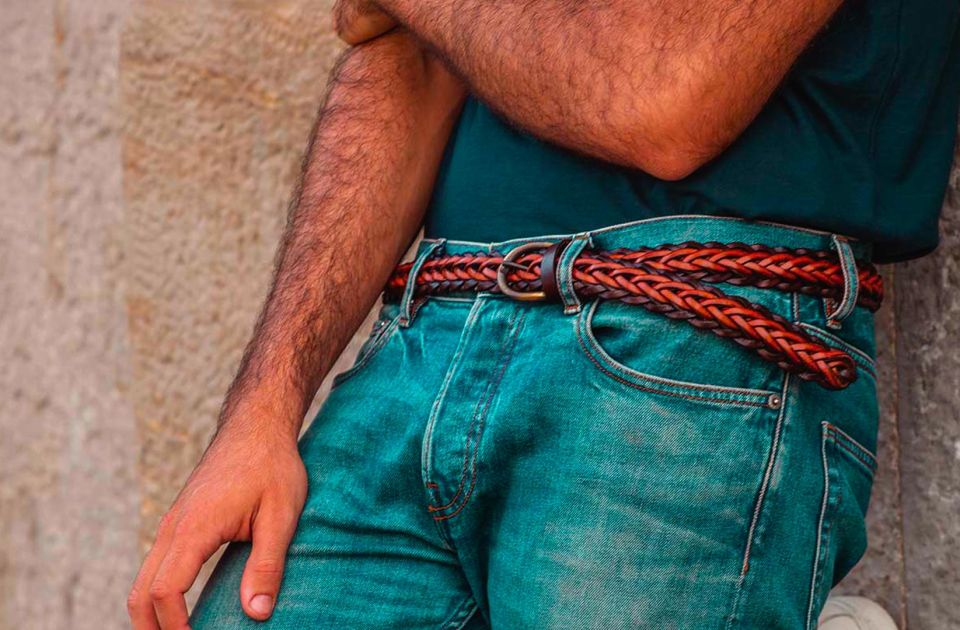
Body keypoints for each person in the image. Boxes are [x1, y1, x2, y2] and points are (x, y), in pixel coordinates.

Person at [127, 1, 960, 628]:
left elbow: (667, 101)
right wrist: (259, 415)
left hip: (687, 352)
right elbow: (407, 63)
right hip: (423, 336)